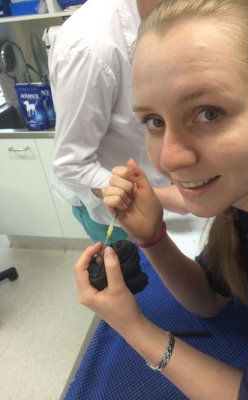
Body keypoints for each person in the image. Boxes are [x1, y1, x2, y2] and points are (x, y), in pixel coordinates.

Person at [74, 0, 248, 399]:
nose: (169, 158)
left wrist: (135, 328)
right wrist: (152, 236)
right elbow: (212, 298)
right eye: (155, 122)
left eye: (208, 113)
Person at [49, 0, 187, 244]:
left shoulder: (164, 21)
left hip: (164, 192)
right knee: (137, 279)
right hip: (113, 212)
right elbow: (71, 165)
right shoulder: (89, 48)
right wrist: (167, 196)